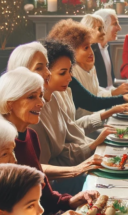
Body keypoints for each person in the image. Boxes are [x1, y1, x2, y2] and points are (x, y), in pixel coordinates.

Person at [0, 67, 100, 212]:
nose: (41, 103)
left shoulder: (30, 135)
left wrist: (70, 201)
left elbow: (47, 196)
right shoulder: (0, 145)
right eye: (31, 97)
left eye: (40, 96)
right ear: (9, 103)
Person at [29, 41, 115, 179]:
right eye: (63, 73)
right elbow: (42, 168)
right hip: (57, 179)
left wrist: (94, 145)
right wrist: (92, 147)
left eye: (69, 71)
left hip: (75, 162)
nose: (70, 78)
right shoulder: (33, 113)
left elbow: (73, 131)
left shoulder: (54, 97)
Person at [46, 19, 128, 116]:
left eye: (91, 46)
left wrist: (115, 95)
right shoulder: (70, 75)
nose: (91, 52)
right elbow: (91, 102)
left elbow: (94, 91)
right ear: (71, 51)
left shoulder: (90, 66)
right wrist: (116, 99)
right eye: (86, 48)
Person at [93, 8, 120, 89]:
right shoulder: (90, 52)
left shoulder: (106, 47)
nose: (119, 28)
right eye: (115, 24)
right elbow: (94, 89)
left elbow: (110, 83)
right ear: (103, 26)